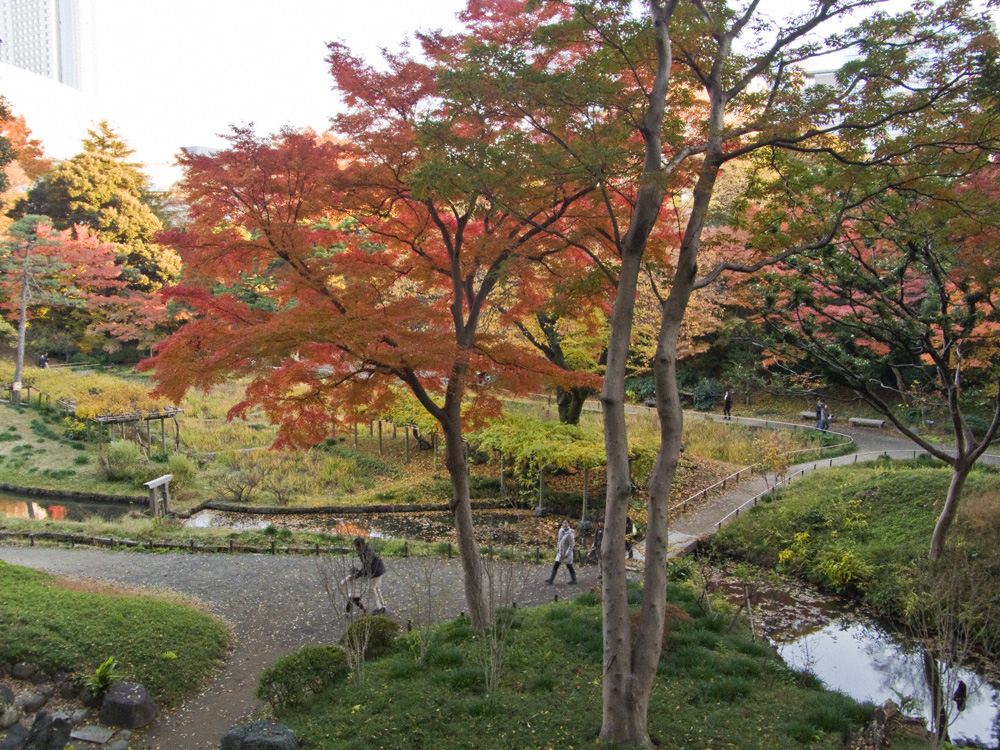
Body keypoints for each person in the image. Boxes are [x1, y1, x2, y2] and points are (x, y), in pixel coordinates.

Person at [347, 536, 387, 614]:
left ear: (360, 545)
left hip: (377, 571)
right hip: (378, 569)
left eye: (356, 546)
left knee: (371, 589)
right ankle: (383, 605)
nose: (355, 548)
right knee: (376, 588)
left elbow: (367, 566)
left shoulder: (367, 552)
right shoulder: (364, 551)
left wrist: (356, 575)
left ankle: (378, 607)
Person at [545, 519, 576, 585]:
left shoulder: (570, 533)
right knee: (556, 564)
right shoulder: (561, 530)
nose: (564, 524)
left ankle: (574, 579)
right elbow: (559, 541)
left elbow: (571, 545)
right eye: (563, 523)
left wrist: (567, 554)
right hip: (560, 552)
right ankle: (551, 579)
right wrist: (558, 549)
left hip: (567, 553)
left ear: (568, 524)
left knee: (569, 566)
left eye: (566, 523)